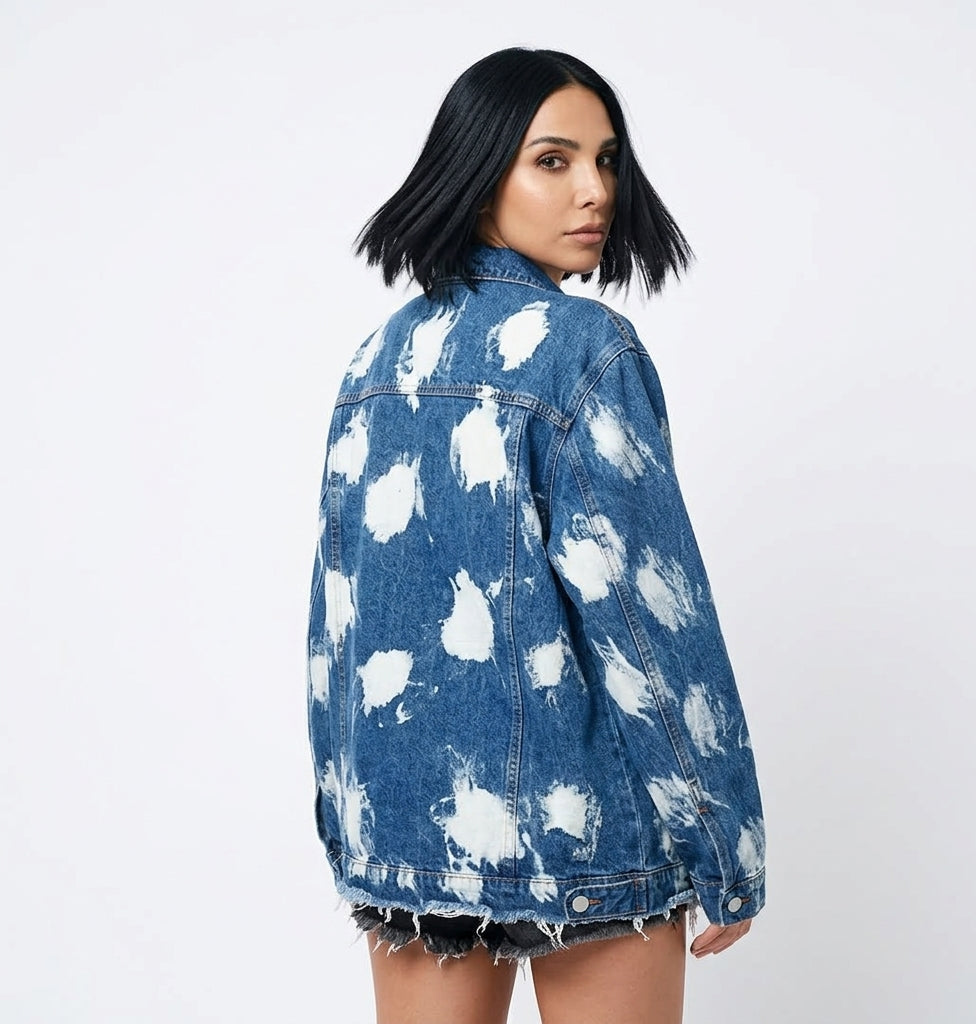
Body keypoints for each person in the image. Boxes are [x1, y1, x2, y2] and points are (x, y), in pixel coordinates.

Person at [306, 47, 766, 1024]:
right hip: (583, 827)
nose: (594, 190)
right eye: (552, 160)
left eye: (606, 160)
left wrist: (349, 823)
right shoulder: (583, 347)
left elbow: (338, 622)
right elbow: (645, 615)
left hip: (411, 829)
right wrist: (724, 840)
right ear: (476, 172)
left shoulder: (377, 357)